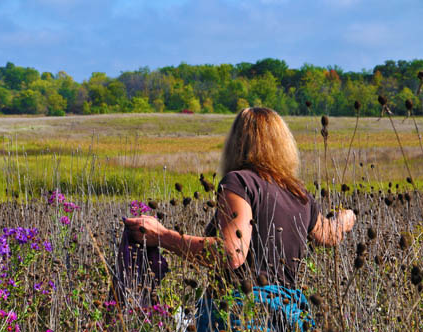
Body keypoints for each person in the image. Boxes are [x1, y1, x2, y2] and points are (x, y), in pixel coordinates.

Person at [124, 107, 356, 331]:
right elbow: (329, 234)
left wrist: (162, 236)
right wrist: (346, 217)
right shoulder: (298, 194)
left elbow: (232, 253)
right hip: (290, 316)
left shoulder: (239, 182)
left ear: (237, 143)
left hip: (243, 313)